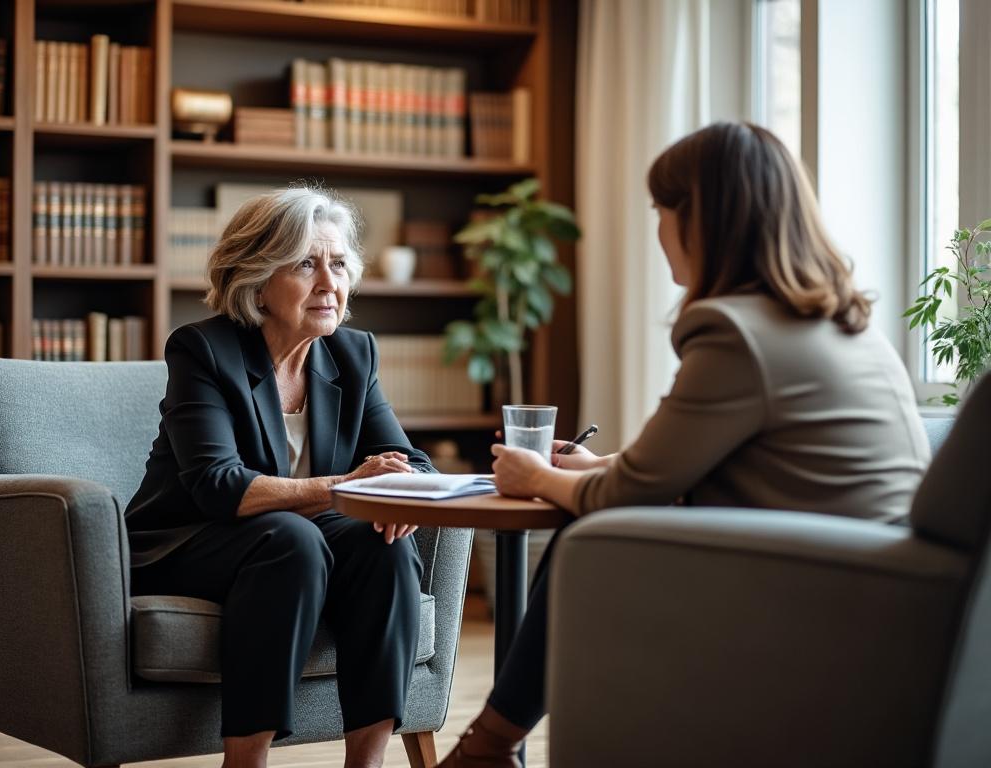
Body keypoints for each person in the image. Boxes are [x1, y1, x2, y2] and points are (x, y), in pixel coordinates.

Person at [436, 121, 931, 767]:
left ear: (700, 219)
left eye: (660, 210)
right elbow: (713, 457)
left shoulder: (732, 330)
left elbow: (626, 493)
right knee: (596, 536)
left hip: (819, 593)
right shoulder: (844, 323)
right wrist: (595, 466)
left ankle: (487, 747)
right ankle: (491, 747)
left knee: (591, 539)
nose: (658, 229)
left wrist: (535, 478)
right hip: (883, 584)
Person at [126, 186, 434, 768]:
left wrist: (400, 485)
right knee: (294, 539)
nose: (329, 283)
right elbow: (218, 485)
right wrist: (347, 486)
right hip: (187, 541)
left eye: (338, 264)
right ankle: (246, 762)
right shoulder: (203, 350)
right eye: (305, 264)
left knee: (383, 544)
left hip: (297, 542)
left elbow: (405, 458)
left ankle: (365, 763)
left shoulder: (352, 353)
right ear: (256, 281)